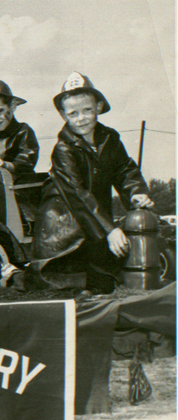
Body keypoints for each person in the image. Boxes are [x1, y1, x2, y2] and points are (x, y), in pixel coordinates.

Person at [30, 72, 153, 292]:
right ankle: (12, 276)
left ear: (98, 106)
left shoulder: (110, 138)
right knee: (55, 280)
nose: (81, 118)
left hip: (94, 219)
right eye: (73, 113)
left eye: (87, 110)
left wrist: (136, 191)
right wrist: (109, 230)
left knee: (107, 278)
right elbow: (78, 194)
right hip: (64, 224)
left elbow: (124, 169)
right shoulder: (63, 149)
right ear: (63, 115)